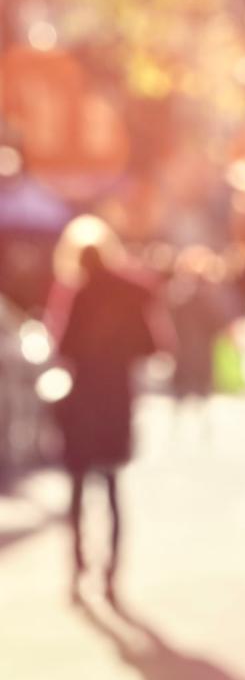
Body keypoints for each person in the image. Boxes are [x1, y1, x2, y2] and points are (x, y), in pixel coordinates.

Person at [47, 240, 163, 602]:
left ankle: (78, 566)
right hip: (115, 401)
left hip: (83, 402)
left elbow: (63, 347)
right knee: (112, 487)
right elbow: (151, 346)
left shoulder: (81, 295)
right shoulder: (129, 295)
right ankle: (111, 572)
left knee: (78, 488)